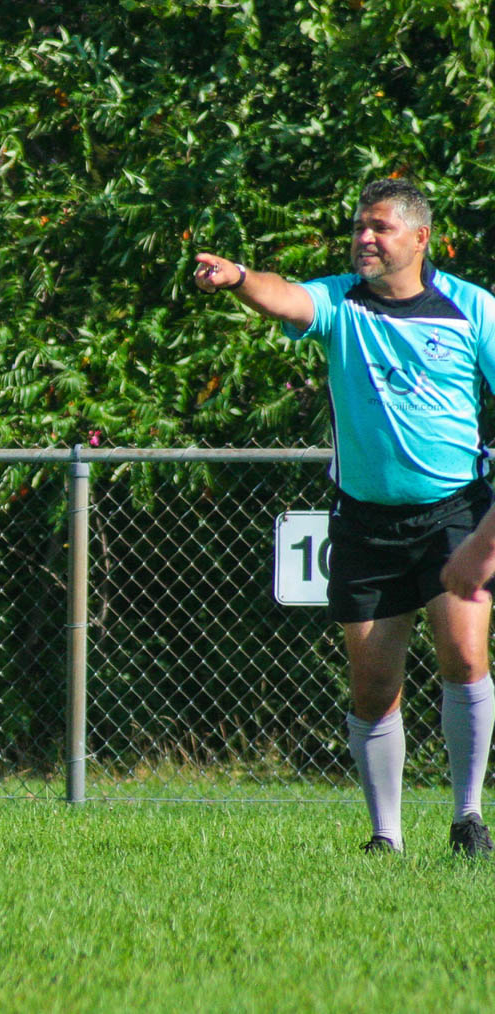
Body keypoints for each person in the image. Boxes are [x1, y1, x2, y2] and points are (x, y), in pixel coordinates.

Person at [195, 178, 495, 856]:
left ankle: (468, 818)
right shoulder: (340, 301)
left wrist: (488, 534)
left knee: (466, 655)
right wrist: (239, 276)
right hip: (364, 521)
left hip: (455, 513)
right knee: (371, 686)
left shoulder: (472, 309)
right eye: (360, 225)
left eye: (381, 227)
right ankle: (384, 836)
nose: (365, 237)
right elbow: (284, 294)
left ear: (420, 239)